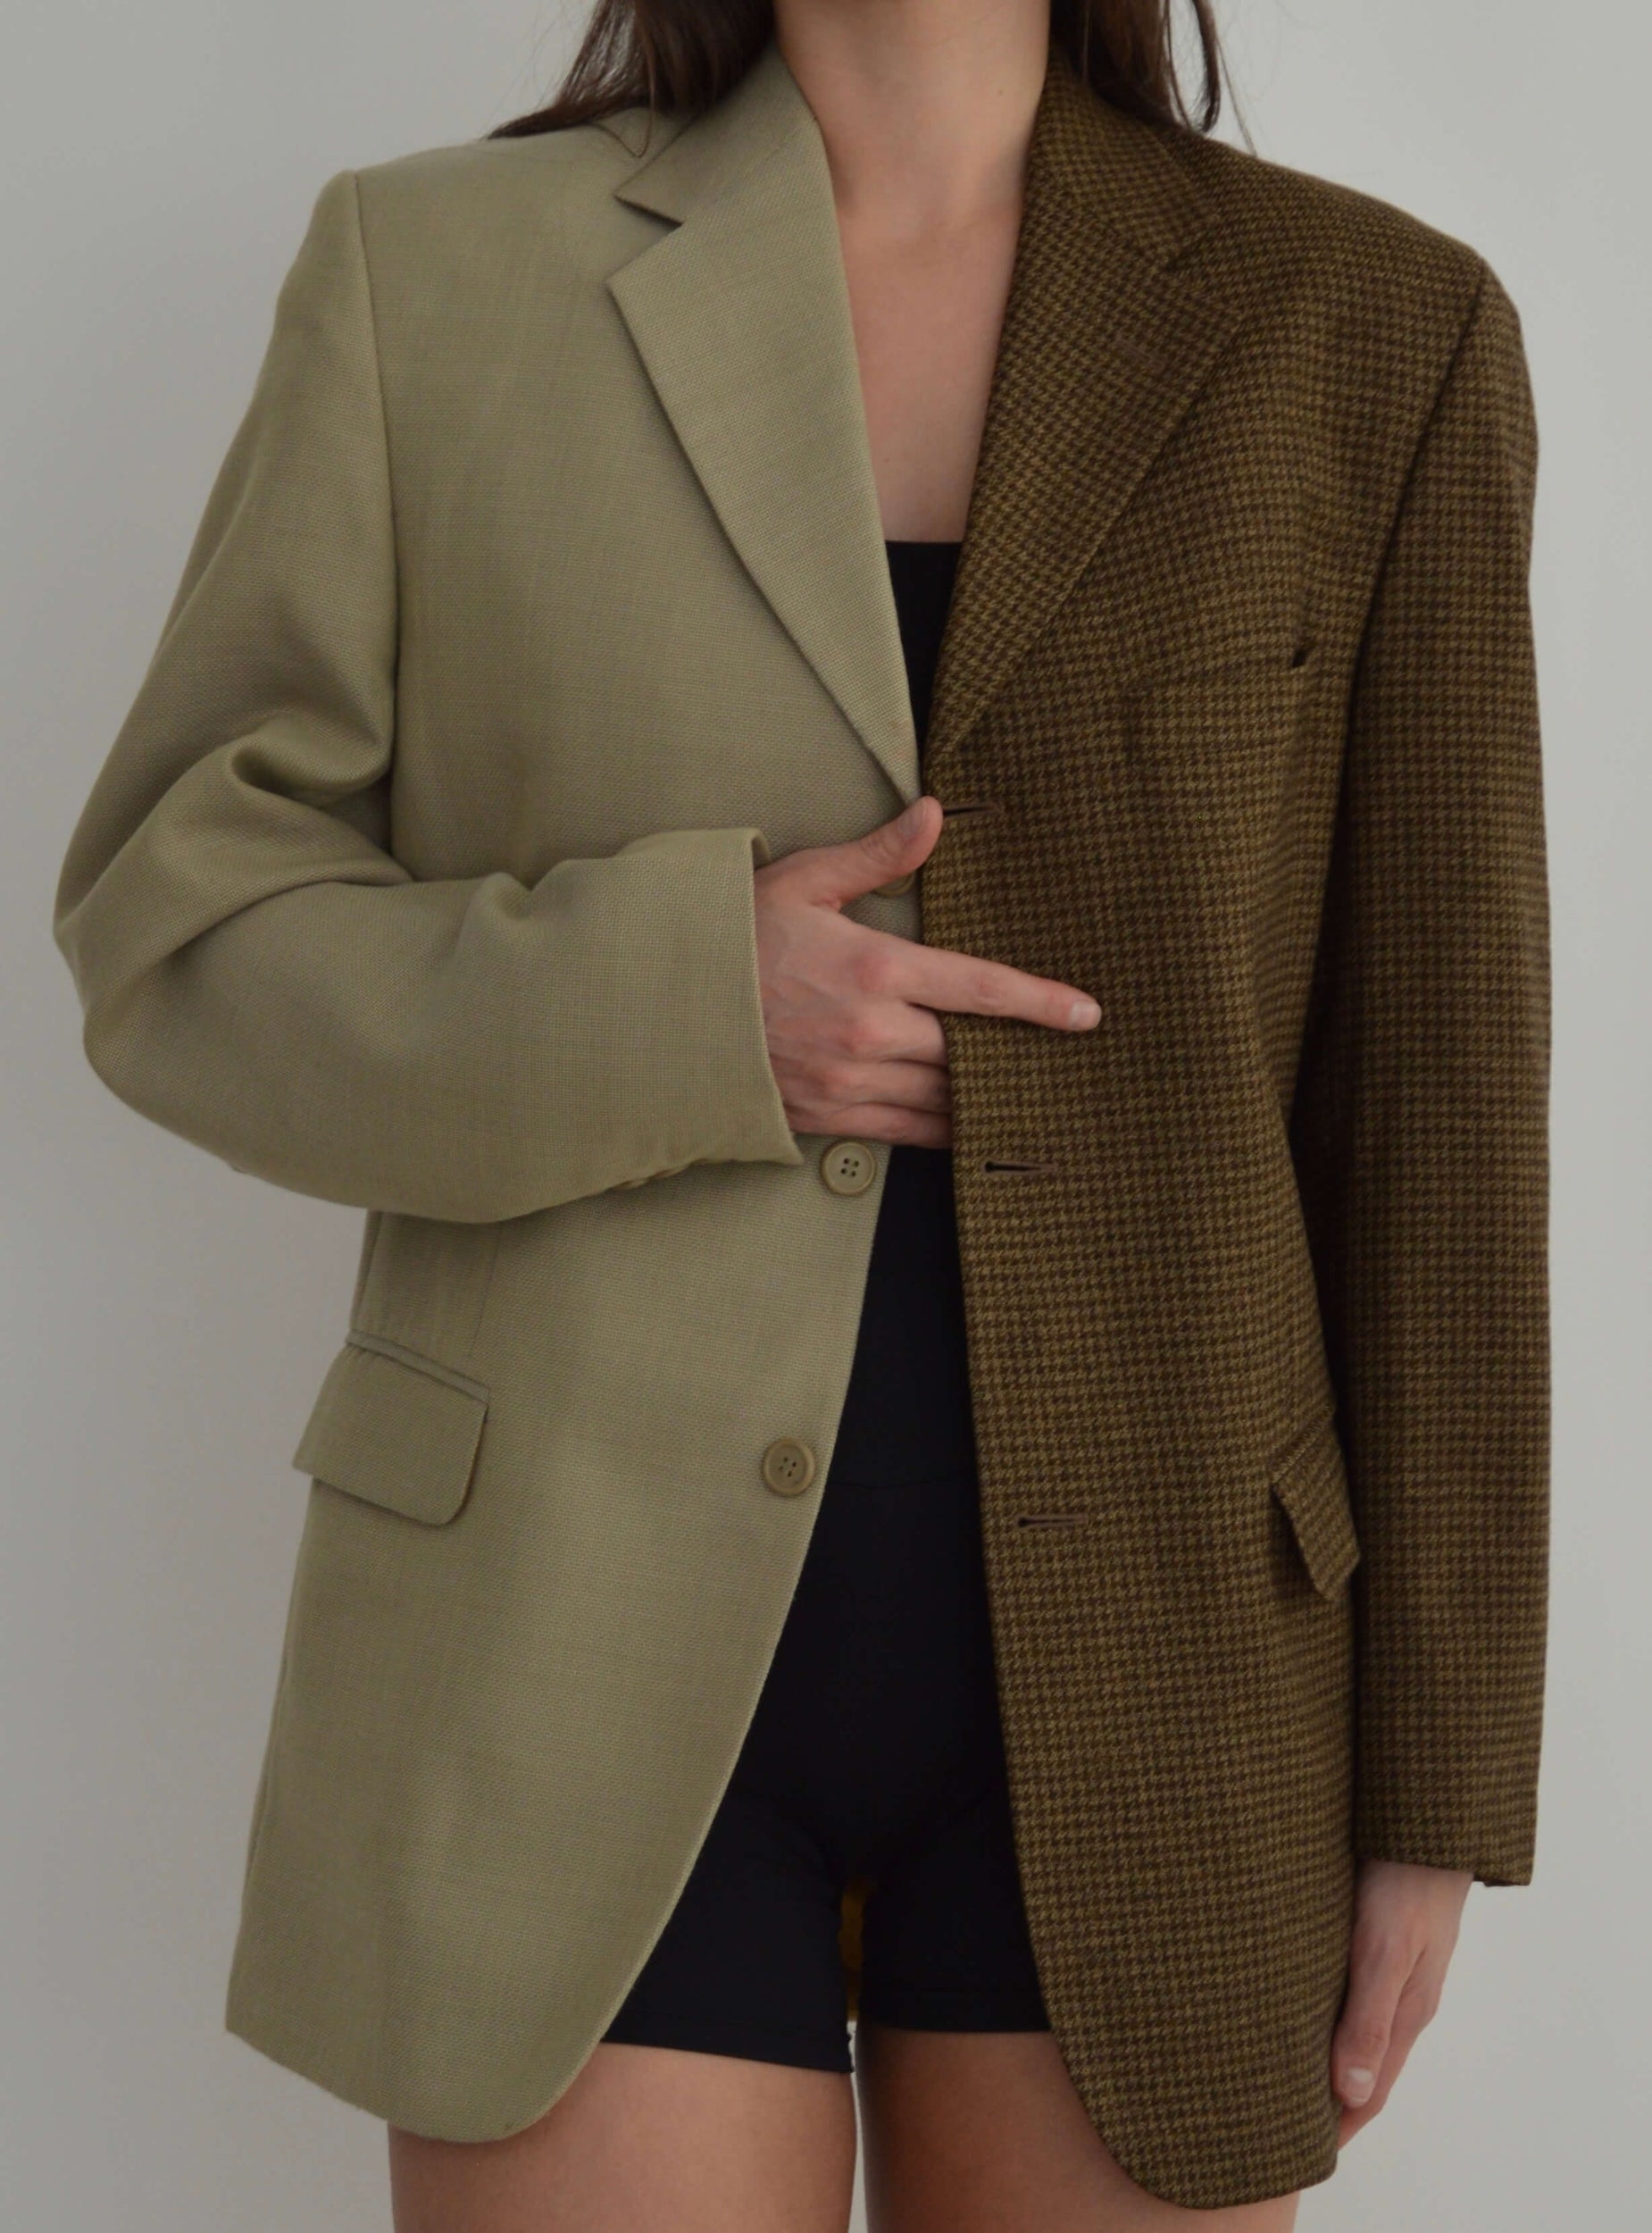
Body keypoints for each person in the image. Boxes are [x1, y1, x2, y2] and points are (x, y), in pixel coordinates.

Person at [49, 1, 1550, 2227]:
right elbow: (179, 929)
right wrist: (679, 1002)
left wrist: (1437, 1782)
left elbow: (1439, 1119)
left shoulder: (1367, 329)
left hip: (1169, 1683)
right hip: (550, 1655)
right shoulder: (432, 274)